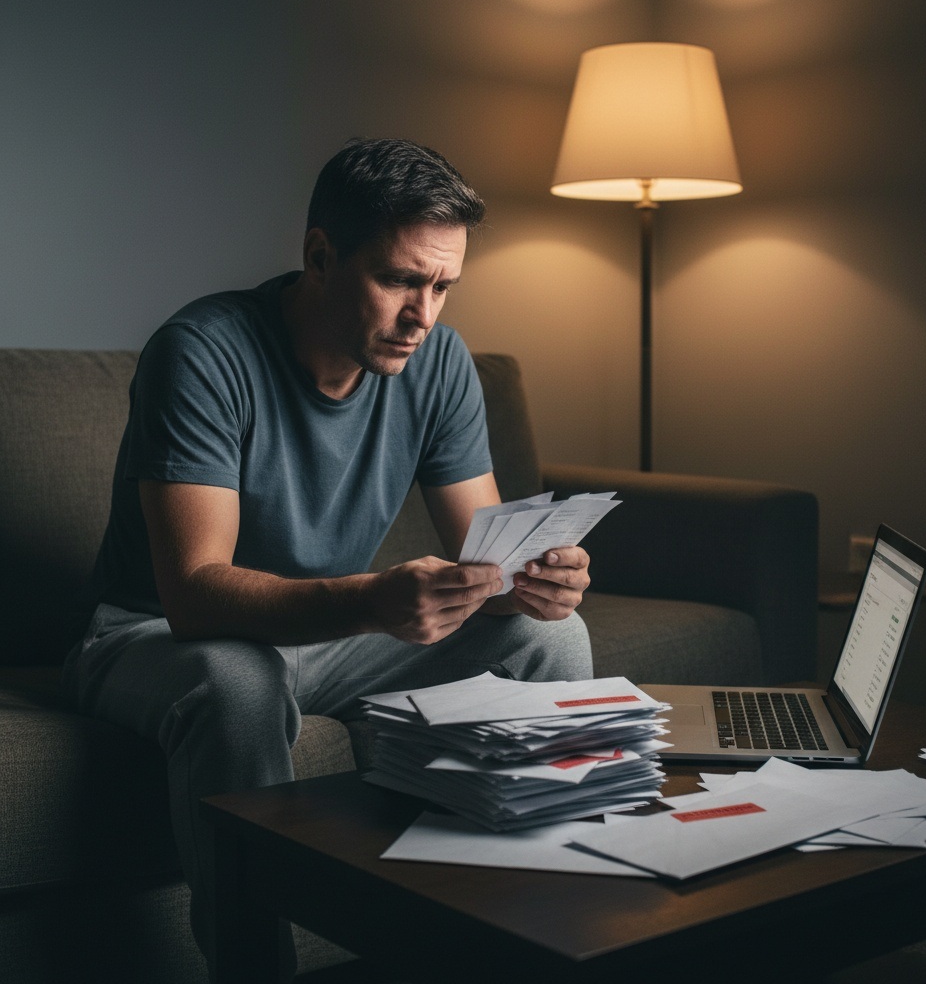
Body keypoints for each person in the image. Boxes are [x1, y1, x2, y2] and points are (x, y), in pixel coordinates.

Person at [62, 137, 593, 977]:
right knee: (239, 681)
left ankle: (541, 939)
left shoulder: (440, 364)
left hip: (332, 638)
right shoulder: (202, 351)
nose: (424, 315)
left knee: (551, 638)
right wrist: (372, 601)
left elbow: (486, 566)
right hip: (152, 635)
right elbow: (195, 594)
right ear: (319, 256)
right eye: (400, 280)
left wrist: (534, 582)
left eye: (443, 286)